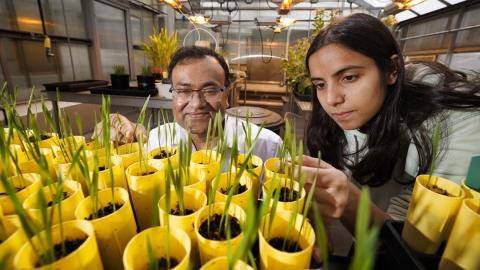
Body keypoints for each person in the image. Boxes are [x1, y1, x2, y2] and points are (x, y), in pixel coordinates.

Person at [298, 13, 480, 232]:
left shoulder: (456, 122)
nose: (331, 99)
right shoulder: (354, 112)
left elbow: (420, 242)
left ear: (392, 70)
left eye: (349, 77)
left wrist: (348, 199)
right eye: (320, 84)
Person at [93, 46, 282, 163]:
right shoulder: (157, 140)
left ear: (226, 94)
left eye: (210, 90)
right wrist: (122, 138)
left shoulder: (266, 147)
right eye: (184, 91)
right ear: (173, 95)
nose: (197, 103)